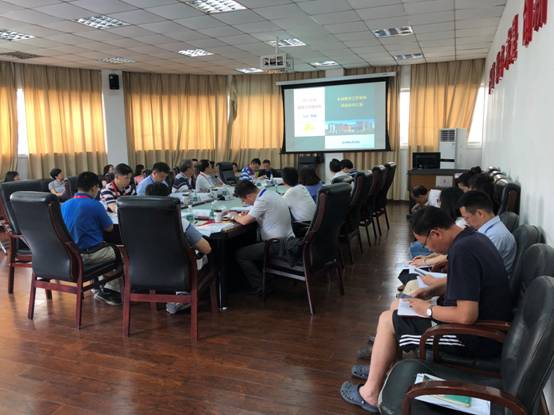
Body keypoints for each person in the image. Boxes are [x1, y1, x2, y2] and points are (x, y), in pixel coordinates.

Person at [340, 206, 512, 413]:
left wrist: (428, 309)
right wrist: (431, 290)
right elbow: (469, 284)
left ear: (436, 233)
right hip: (484, 327)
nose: (430, 250)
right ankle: (384, 371)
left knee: (387, 320)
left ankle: (370, 393)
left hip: (475, 337)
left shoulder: (462, 252)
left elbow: (466, 316)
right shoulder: (473, 238)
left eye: (425, 244)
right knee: (397, 307)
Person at [144, 182, 212, 314]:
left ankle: (181, 295)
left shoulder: (136, 222)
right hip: (178, 271)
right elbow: (206, 249)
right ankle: (186, 295)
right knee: (206, 256)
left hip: (146, 269)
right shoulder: (180, 221)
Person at [61, 171, 121, 306]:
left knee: (101, 247)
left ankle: (96, 285)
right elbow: (109, 228)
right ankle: (109, 290)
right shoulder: (95, 204)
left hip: (67, 255)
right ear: (94, 188)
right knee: (121, 254)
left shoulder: (65, 204)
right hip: (86, 255)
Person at [231, 180, 294, 294]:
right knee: (250, 243)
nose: (244, 203)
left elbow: (244, 221)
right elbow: (259, 213)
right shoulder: (270, 194)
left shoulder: (262, 200)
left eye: (243, 200)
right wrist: (249, 215)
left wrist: (234, 216)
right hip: (288, 240)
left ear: (249, 196)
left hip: (277, 244)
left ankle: (261, 287)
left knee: (241, 254)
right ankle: (265, 278)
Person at [459, 190, 516, 273]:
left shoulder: (495, 235)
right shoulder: (486, 231)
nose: (466, 222)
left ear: (480, 213)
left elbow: (475, 267)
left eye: (467, 218)